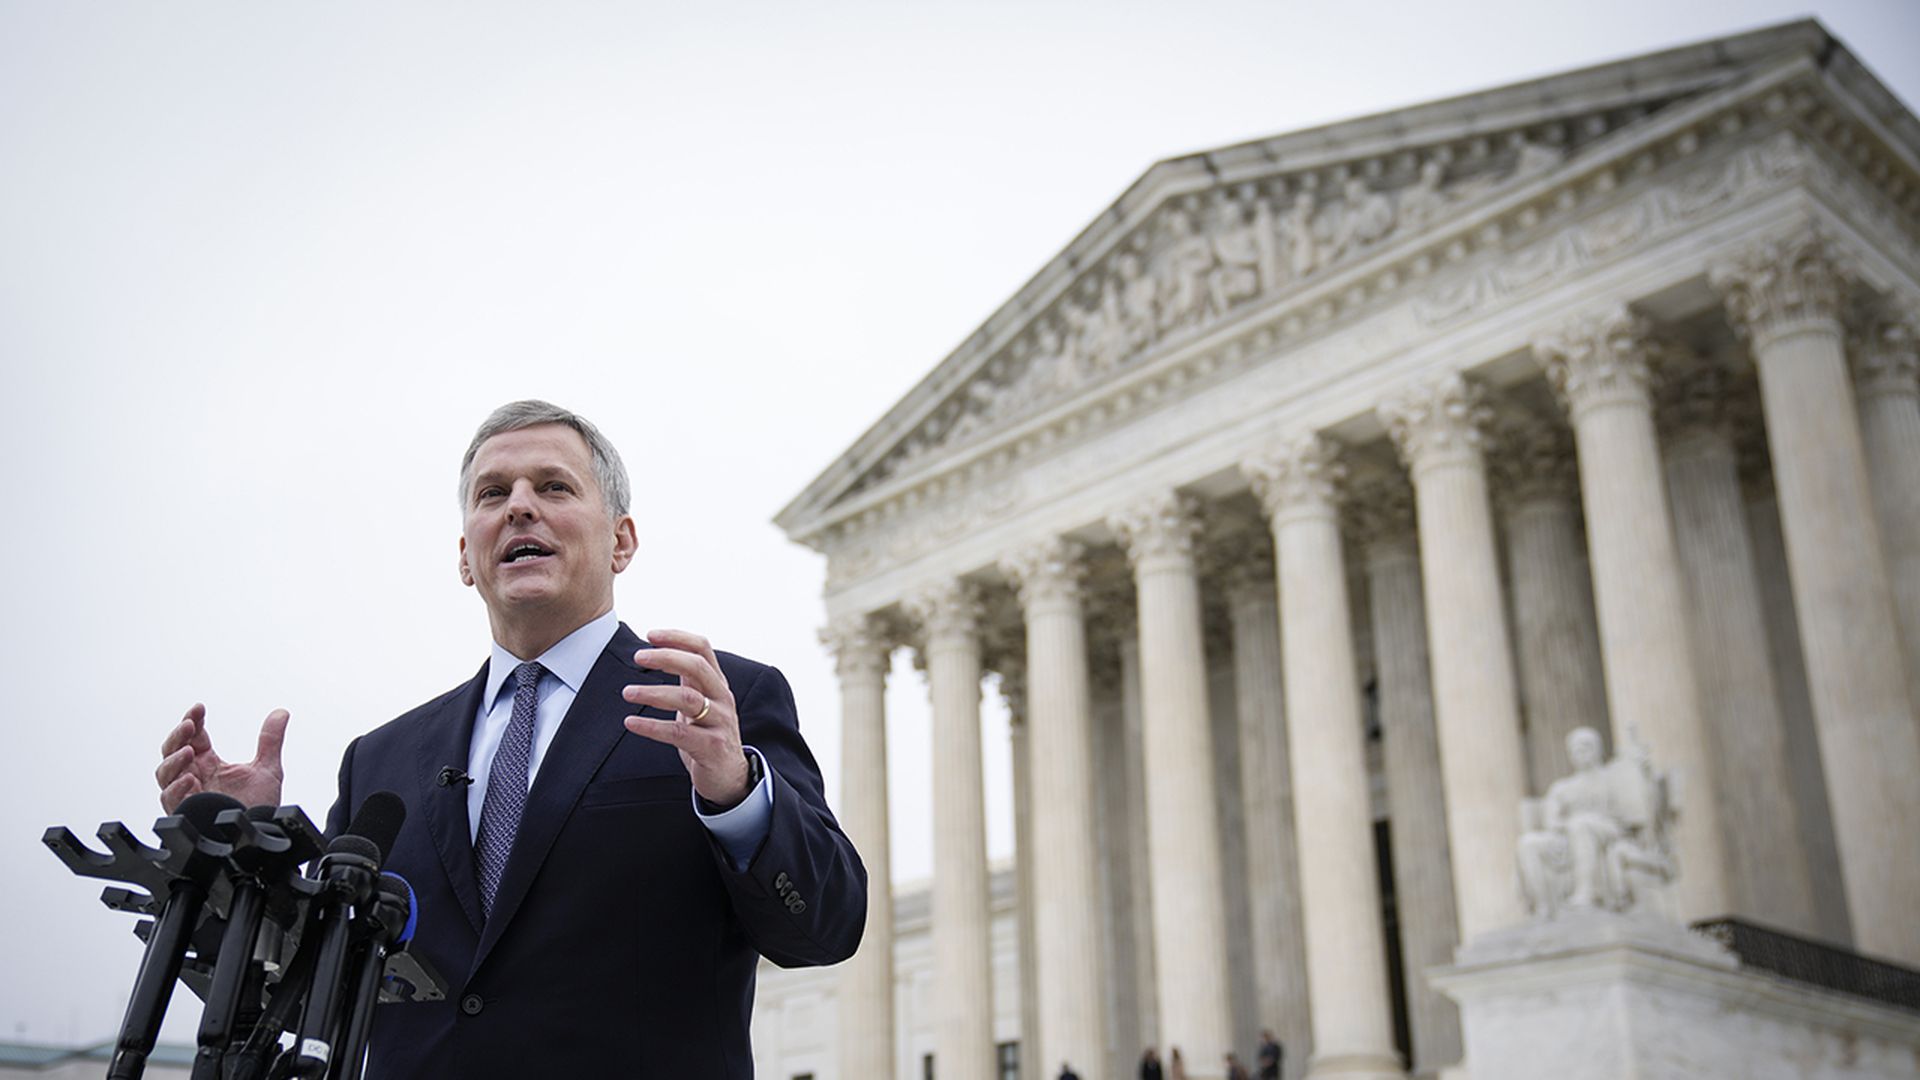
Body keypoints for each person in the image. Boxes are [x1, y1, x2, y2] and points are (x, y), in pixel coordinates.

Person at [153, 400, 866, 1078]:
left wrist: (735, 795)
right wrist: (241, 859)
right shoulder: (380, 759)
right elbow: (307, 1000)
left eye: (554, 486)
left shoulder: (709, 701)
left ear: (621, 540)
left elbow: (823, 929)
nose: (520, 504)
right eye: (493, 494)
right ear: (468, 557)